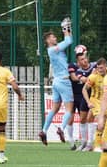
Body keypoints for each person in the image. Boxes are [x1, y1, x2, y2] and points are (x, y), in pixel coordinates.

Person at [38, 18, 74, 146]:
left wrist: (67, 30)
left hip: (56, 82)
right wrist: (65, 28)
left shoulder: (52, 51)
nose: (54, 38)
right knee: (70, 109)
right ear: (48, 41)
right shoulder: (53, 49)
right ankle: (61, 129)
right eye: (52, 37)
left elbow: (67, 40)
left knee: (55, 108)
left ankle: (43, 130)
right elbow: (69, 41)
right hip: (64, 81)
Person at [67, 52, 97, 151]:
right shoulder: (79, 71)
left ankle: (90, 143)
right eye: (81, 60)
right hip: (85, 96)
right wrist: (93, 75)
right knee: (83, 119)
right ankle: (83, 142)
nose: (84, 61)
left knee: (92, 119)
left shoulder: (95, 65)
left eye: (85, 58)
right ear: (78, 62)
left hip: (96, 97)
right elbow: (87, 80)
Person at [82, 58, 107, 152]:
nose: (100, 70)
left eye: (101, 68)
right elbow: (84, 89)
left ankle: (94, 143)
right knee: (100, 120)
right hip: (96, 102)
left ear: (106, 66)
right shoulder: (93, 77)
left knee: (106, 122)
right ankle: (97, 146)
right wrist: (88, 102)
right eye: (98, 68)